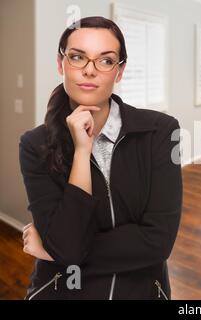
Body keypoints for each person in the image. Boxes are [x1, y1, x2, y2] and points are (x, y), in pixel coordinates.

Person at [18, 16, 182, 300]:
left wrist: (51, 250)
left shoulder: (161, 131)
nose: (90, 71)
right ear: (61, 64)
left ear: (119, 72)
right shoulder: (34, 145)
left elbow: (158, 242)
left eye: (105, 61)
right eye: (78, 57)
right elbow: (68, 246)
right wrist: (82, 151)